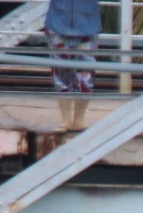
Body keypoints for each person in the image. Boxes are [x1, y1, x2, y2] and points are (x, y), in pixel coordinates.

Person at [44, 0, 99, 132]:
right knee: (61, 73)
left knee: (86, 74)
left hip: (88, 26)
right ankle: (66, 120)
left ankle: (79, 119)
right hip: (58, 23)